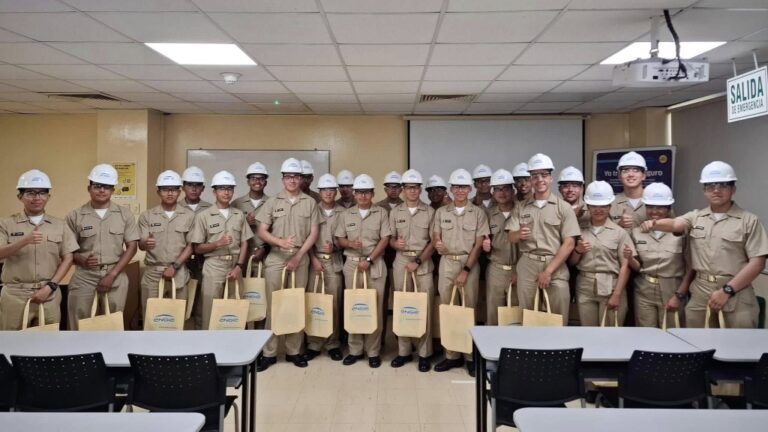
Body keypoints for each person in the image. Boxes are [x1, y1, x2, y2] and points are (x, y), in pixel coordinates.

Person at [640, 161, 768, 328]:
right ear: (704, 190)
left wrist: (727, 290)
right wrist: (654, 224)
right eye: (710, 186)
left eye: (723, 185)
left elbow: (757, 263)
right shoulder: (696, 217)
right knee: (696, 341)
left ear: (733, 189)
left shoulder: (749, 221)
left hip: (736, 293)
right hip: (700, 292)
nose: (716, 190)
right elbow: (675, 224)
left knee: (737, 342)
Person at [256, 158, 320, 370]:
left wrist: (298, 256)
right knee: (274, 305)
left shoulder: (310, 202)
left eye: (296, 176)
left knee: (295, 304)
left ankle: (294, 351)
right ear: (283, 179)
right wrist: (280, 242)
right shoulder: (273, 202)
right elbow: (262, 231)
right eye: (288, 176)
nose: (292, 180)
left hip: (299, 259)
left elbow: (314, 233)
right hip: (276, 257)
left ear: (301, 179)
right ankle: (270, 352)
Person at [0, 170, 78, 330]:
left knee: (48, 340)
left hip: (49, 293)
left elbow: (68, 258)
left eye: (42, 193)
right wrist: (24, 241)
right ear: (20, 196)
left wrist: (51, 287)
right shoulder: (6, 224)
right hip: (15, 294)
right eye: (30, 193)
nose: (37, 198)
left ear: (48, 196)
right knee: (13, 341)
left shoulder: (60, 225)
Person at [507, 154, 579, 326]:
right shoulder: (520, 207)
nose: (540, 179)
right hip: (528, 265)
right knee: (527, 317)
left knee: (557, 318)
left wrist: (548, 272)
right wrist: (519, 234)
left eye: (544, 175)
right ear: (530, 179)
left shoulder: (563, 208)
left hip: (555, 266)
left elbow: (569, 243)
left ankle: (557, 346)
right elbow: (511, 236)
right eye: (535, 176)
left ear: (551, 178)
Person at [65, 164, 139, 330]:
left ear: (113, 190)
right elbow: (68, 250)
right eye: (97, 186)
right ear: (89, 188)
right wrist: (81, 259)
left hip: (116, 274)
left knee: (113, 323)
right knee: (79, 323)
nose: (101, 190)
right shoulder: (74, 216)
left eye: (106, 186)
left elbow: (132, 247)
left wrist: (112, 275)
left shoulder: (125, 214)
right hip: (84, 276)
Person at [433, 168, 488, 375]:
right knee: (448, 310)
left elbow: (479, 244)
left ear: (470, 189)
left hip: (468, 263)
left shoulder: (478, 213)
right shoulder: (441, 212)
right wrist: (437, 243)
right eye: (456, 186)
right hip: (447, 263)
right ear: (451, 189)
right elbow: (436, 236)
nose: (460, 190)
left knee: (468, 311)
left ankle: (469, 356)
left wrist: (466, 270)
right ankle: (451, 356)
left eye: (464, 187)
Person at [335, 174, 391, 368]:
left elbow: (385, 239)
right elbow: (339, 239)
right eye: (359, 192)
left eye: (366, 192)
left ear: (372, 194)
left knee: (374, 307)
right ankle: (355, 350)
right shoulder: (346, 214)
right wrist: (349, 244)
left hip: (374, 264)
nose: (362, 196)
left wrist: (369, 259)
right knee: (355, 306)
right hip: (352, 265)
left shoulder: (381, 213)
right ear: (354, 193)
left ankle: (373, 351)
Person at [189, 170, 252, 331]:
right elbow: (197, 248)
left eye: (230, 188)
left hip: (235, 265)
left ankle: (233, 344)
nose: (226, 192)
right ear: (214, 191)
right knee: (210, 310)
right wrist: (218, 243)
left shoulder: (238, 214)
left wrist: (239, 266)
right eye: (222, 188)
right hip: (213, 266)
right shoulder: (203, 216)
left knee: (234, 310)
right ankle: (209, 344)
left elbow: (245, 242)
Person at [626, 183, 692, 328]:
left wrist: (680, 294)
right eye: (650, 206)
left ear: (669, 208)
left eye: (660, 207)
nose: (654, 211)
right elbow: (638, 267)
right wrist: (630, 258)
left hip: (672, 288)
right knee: (645, 332)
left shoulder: (681, 233)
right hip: (644, 289)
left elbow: (690, 268)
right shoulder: (637, 232)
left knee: (671, 332)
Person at [569, 181, 635, 326]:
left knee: (610, 333)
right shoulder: (579, 230)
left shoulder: (620, 233)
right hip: (585, 286)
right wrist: (578, 251)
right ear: (588, 206)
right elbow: (572, 262)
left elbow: (625, 266)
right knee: (588, 331)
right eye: (594, 206)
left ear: (610, 206)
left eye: (603, 206)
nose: (598, 210)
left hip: (611, 286)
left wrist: (617, 294)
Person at [389, 169, 436, 372]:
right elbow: (389, 239)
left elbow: (434, 242)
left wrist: (418, 261)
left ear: (420, 189)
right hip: (401, 262)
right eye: (409, 187)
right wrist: (394, 244)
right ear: (403, 189)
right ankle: (404, 351)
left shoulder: (430, 212)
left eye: (416, 187)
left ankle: (424, 353)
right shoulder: (395, 212)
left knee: (424, 308)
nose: (412, 191)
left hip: (422, 262)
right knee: (402, 306)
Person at [138, 171, 195, 315]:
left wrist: (175, 266)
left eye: (174, 189)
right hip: (153, 274)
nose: (170, 193)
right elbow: (141, 245)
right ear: (158, 192)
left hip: (179, 273)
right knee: (151, 318)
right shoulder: (147, 216)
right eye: (165, 189)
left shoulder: (189, 216)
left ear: (179, 192)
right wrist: (145, 243)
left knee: (177, 317)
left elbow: (191, 245)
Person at [305, 173, 345, 362]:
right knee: (314, 303)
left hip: (334, 262)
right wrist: (313, 258)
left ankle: (332, 343)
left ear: (336, 192)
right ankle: (314, 343)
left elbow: (347, 239)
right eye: (324, 190)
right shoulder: (312, 210)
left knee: (333, 304)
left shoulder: (344, 213)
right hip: (314, 262)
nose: (328, 193)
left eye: (331, 189)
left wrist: (336, 247)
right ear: (319, 192)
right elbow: (305, 238)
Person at [483, 169, 519, 326]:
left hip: (519, 269)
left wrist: (520, 271)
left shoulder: (523, 211)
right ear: (492, 192)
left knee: (516, 315)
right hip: (496, 270)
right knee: (493, 314)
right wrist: (485, 247)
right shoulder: (487, 214)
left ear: (513, 190)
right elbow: (483, 241)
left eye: (505, 188)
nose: (501, 193)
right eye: (497, 189)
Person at [179, 166, 213, 329]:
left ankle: (200, 337)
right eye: (190, 184)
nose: (194, 188)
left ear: (203, 188)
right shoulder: (175, 208)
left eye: (198, 185)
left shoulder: (211, 209)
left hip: (202, 263)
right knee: (180, 306)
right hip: (180, 264)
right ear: (183, 187)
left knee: (201, 305)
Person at [232, 162, 269, 263]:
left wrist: (265, 249)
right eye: (253, 178)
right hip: (240, 256)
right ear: (248, 182)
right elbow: (229, 231)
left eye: (261, 179)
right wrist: (244, 224)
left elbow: (277, 231)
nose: (257, 181)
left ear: (265, 182)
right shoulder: (236, 204)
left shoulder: (272, 203)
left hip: (265, 257)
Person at [610, 151, 648, 229]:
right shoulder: (611, 204)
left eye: (636, 170)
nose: (631, 174)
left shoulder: (656, 200)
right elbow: (604, 233)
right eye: (625, 170)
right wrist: (619, 225)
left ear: (644, 175)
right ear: (619, 176)